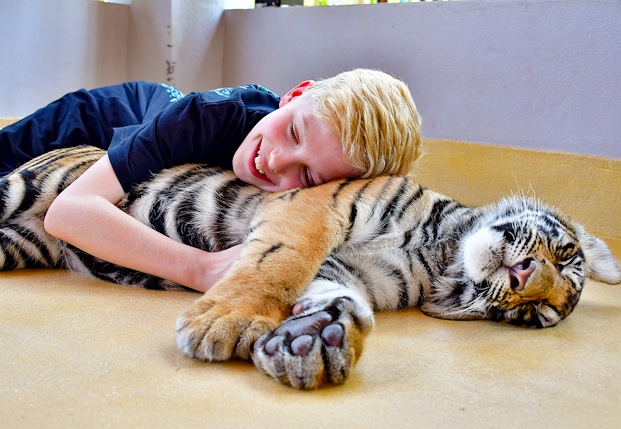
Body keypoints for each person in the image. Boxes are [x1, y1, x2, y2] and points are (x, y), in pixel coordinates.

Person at [0, 68, 422, 292]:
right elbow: (68, 214)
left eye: (308, 174)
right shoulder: (205, 118)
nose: (277, 162)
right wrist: (198, 268)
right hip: (99, 116)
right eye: (293, 131)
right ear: (294, 95)